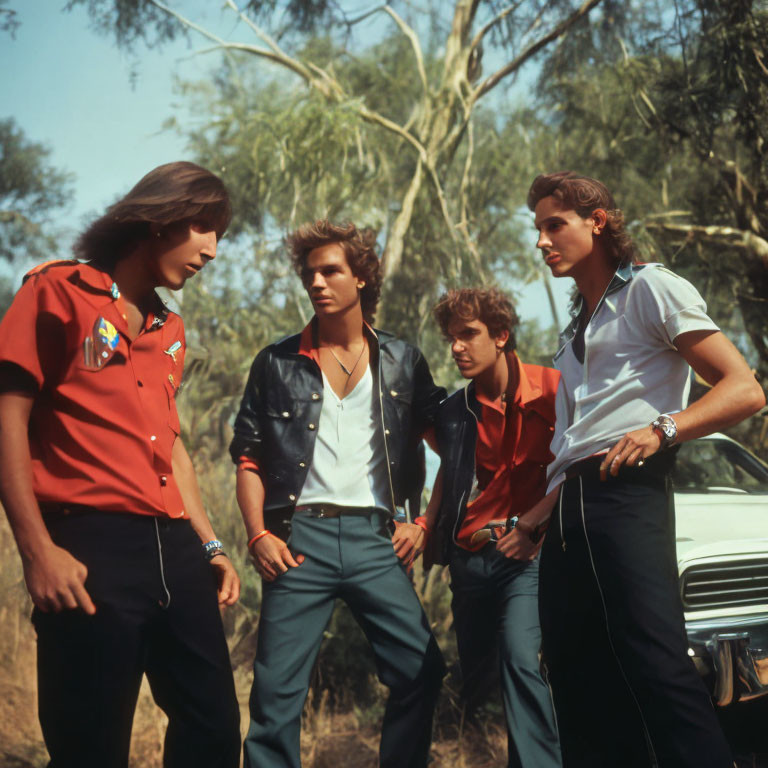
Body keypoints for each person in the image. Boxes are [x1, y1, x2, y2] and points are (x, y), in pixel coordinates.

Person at [0, 161, 242, 768]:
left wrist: (210, 545)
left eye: (220, 235)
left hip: (176, 550)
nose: (211, 251)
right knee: (90, 746)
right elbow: (8, 419)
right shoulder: (58, 292)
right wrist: (38, 553)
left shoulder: (167, 329)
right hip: (90, 549)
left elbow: (167, 440)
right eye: (204, 228)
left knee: (213, 730)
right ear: (160, 218)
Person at [525, 170, 766, 767]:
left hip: (627, 495)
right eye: (538, 229)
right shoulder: (574, 327)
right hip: (567, 514)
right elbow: (575, 443)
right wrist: (534, 518)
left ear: (597, 221)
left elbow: (743, 390)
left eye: (555, 225)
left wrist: (664, 429)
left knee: (657, 666)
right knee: (579, 681)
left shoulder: (649, 288)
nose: (542, 242)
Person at [230, 219, 446, 768]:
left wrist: (422, 523)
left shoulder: (403, 360)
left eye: (331, 271)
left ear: (362, 279)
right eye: (310, 274)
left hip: (378, 538)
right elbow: (249, 458)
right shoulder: (276, 362)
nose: (317, 283)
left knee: (421, 669)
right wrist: (257, 533)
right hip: (300, 539)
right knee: (276, 694)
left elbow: (457, 445)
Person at [424, 287, 562, 768]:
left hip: (526, 556)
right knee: (477, 675)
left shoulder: (554, 389)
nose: (457, 347)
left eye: (468, 334)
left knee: (521, 659)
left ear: (500, 335)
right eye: (451, 338)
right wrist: (424, 523)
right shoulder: (453, 413)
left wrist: (536, 522)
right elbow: (449, 472)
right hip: (468, 562)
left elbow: (581, 461)